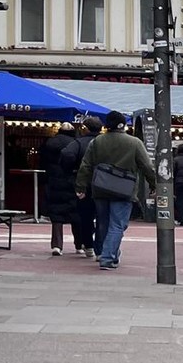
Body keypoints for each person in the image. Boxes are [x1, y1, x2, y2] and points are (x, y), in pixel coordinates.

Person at [74, 110, 156, 270]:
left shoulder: (97, 142)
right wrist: (154, 185)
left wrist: (81, 186)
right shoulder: (134, 143)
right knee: (118, 225)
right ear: (122, 125)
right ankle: (108, 258)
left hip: (100, 188)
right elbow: (147, 166)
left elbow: (86, 165)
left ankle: (107, 253)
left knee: (103, 223)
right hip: (124, 189)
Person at [63, 118, 102, 257]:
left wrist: (70, 170)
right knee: (104, 216)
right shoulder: (105, 142)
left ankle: (88, 245)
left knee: (85, 216)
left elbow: (67, 155)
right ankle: (101, 247)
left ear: (85, 128)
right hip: (105, 183)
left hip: (85, 183)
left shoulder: (79, 143)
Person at [40, 122, 79, 255]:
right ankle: (79, 244)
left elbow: (42, 161)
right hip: (71, 180)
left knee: (56, 216)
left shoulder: (50, 143)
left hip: (54, 181)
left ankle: (57, 245)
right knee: (75, 214)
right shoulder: (75, 143)